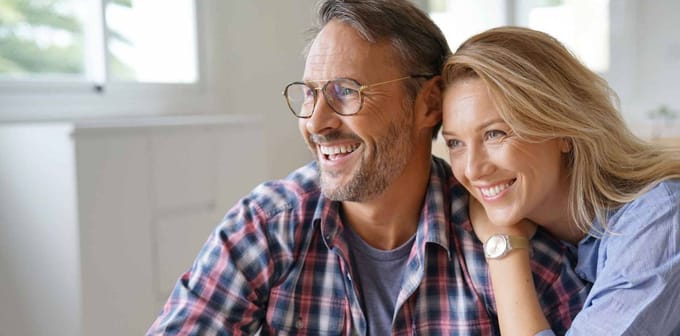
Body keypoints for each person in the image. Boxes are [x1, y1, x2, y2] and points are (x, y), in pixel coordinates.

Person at [147, 2, 589, 335]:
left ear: (429, 104)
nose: (316, 123)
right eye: (309, 93)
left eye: (346, 91)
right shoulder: (267, 225)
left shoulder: (504, 242)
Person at [440, 26, 680, 336]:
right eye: (455, 143)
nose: (472, 169)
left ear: (562, 129)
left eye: (495, 134)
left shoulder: (665, 219)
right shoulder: (547, 232)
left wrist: (504, 248)